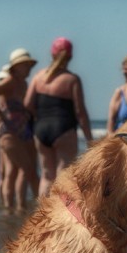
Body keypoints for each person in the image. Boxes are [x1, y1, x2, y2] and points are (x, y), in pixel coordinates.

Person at [25, 37, 93, 197]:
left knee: (46, 175)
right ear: (70, 57)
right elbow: (80, 112)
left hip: (41, 129)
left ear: (51, 53)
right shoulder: (72, 79)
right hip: (64, 129)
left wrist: (40, 118)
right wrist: (89, 139)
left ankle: (42, 216)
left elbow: (27, 104)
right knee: (63, 176)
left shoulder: (38, 76)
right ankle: (60, 216)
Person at [0, 49, 39, 212]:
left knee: (21, 170)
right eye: (25, 65)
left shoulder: (24, 83)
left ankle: (19, 207)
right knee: (27, 171)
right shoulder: (10, 81)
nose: (28, 68)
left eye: (29, 65)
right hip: (9, 132)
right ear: (16, 67)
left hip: (24, 130)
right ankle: (35, 209)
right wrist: (0, 114)